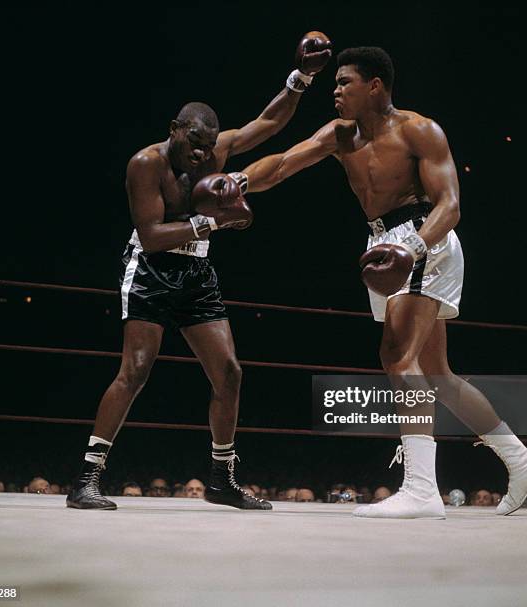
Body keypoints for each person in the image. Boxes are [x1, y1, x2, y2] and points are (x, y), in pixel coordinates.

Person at [240, 46, 527, 519]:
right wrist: (237, 181)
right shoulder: (340, 135)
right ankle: (520, 459)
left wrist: (412, 250)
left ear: (375, 86)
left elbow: (450, 205)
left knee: (396, 355)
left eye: (345, 82)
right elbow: (283, 164)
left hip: (424, 236)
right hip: (384, 243)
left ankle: (422, 490)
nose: (337, 91)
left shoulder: (418, 130)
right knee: (439, 375)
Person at [65, 33, 333, 512]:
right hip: (150, 269)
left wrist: (302, 78)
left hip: (196, 271)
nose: (199, 154)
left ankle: (221, 479)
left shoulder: (216, 152)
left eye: (207, 146)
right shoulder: (145, 164)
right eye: (193, 143)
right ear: (174, 129)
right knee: (136, 370)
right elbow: (150, 234)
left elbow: (269, 122)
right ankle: (86, 479)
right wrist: (215, 219)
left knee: (229, 373)